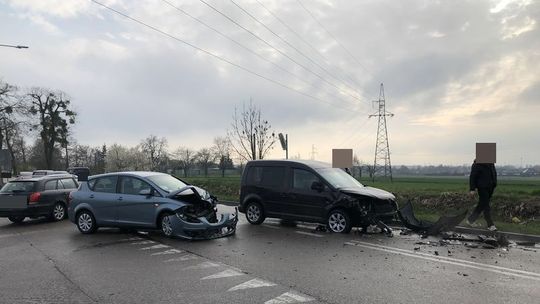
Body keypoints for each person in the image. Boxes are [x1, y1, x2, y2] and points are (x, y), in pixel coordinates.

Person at [467, 159, 498, 231]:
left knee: (482, 205)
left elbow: (493, 173)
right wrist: (472, 189)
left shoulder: (491, 163)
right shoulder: (476, 165)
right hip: (482, 187)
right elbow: (472, 177)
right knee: (486, 205)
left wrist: (494, 183)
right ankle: (490, 224)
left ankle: (471, 220)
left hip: (490, 187)